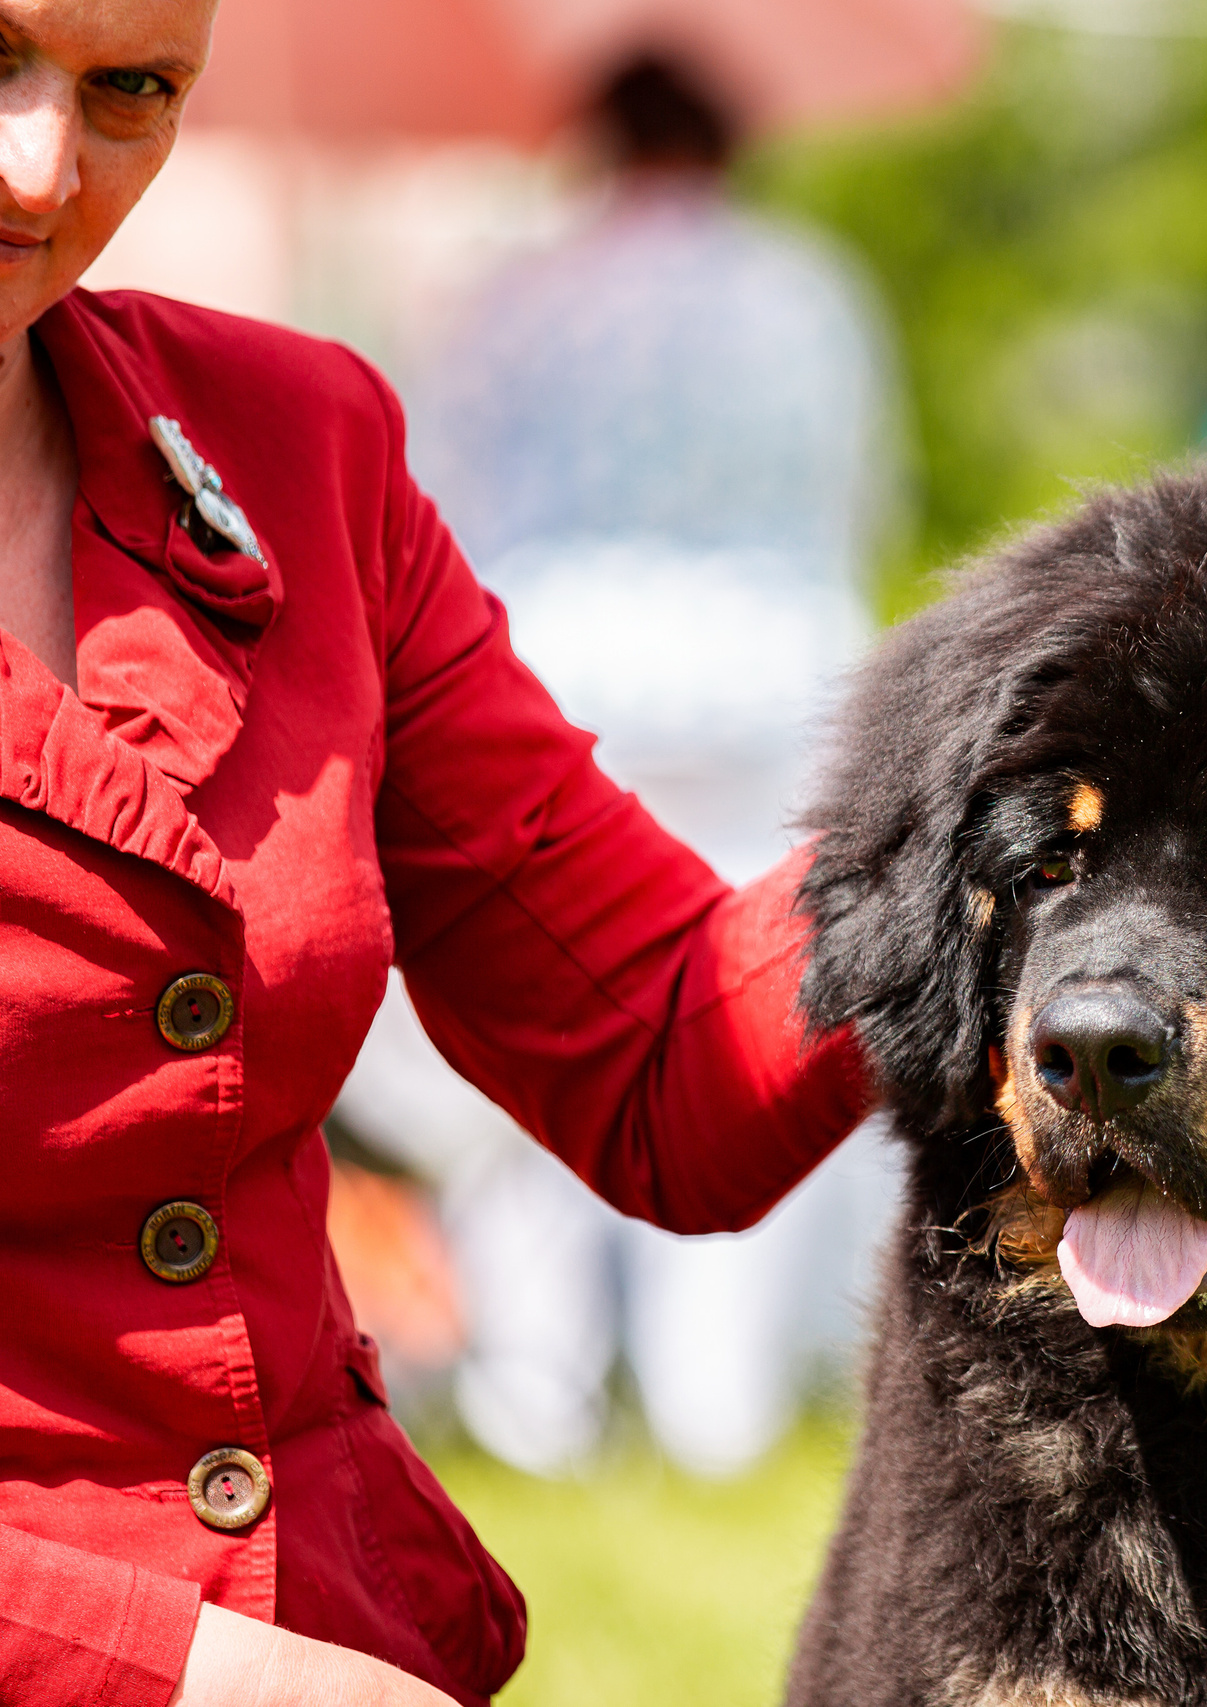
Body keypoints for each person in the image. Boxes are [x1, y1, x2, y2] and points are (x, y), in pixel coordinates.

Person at [0, 7, 869, 1706]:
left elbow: (665, 1049)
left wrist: (1021, 813)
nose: (41, 170)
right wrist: (196, 1678)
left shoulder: (291, 445)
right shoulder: (802, 293)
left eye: (133, 90)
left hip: (360, 1639)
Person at [340, 50, 898, 1481]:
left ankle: (546, 1400)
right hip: (774, 672)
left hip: (565, 656)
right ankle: (721, 1408)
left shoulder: (519, 290)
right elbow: (860, 491)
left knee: (539, 1028)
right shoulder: (811, 286)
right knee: (749, 1026)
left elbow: (441, 488)